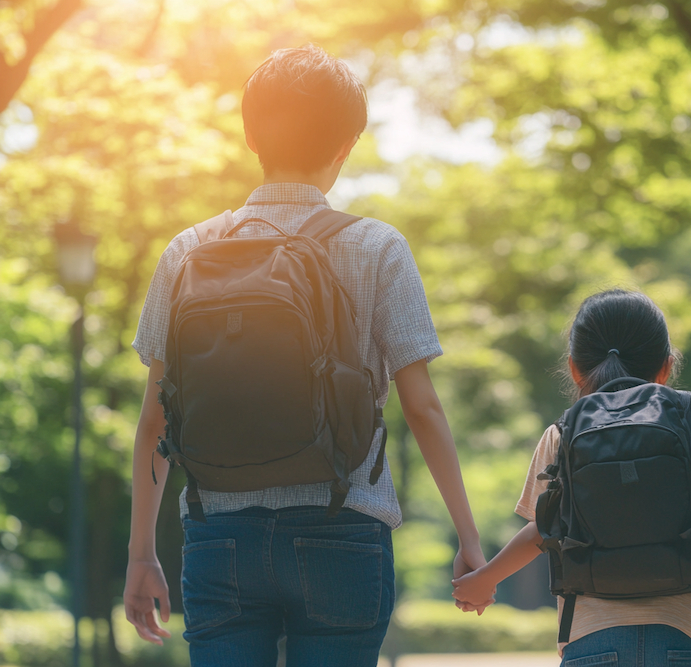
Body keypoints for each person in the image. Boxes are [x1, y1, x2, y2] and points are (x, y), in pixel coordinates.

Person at [123, 44, 486, 667]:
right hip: (343, 528)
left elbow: (155, 420)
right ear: (346, 146)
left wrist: (140, 555)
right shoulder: (377, 247)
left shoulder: (187, 252)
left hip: (219, 531)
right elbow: (422, 407)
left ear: (249, 134)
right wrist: (470, 539)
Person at [451, 289, 691, 667]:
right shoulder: (688, 431)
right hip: (679, 636)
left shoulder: (563, 434)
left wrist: (486, 578)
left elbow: (543, 530)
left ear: (574, 367)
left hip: (591, 637)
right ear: (666, 367)